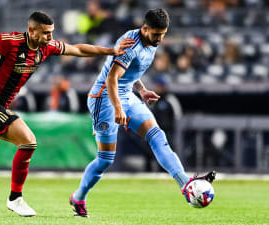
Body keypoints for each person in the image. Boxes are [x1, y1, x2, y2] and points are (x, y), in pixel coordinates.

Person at [0, 11, 134, 217]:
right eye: (46, 33)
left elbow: (77, 49)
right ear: (32, 31)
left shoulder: (47, 47)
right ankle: (15, 198)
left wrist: (109, 51)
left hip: (0, 107)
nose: (50, 37)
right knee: (28, 142)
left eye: (51, 32)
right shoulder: (10, 42)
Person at [69, 9, 216, 218]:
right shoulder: (131, 44)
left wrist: (142, 90)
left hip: (128, 94)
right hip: (104, 98)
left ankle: (185, 185)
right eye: (156, 34)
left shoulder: (151, 41)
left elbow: (130, 73)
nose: (159, 39)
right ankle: (79, 197)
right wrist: (118, 108)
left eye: (162, 35)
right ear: (145, 28)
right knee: (106, 159)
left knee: (157, 135)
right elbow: (112, 78)